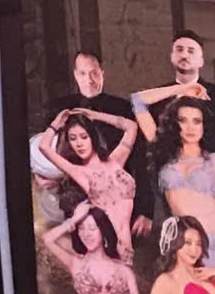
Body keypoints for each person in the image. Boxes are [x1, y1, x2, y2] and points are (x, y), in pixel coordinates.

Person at [138, 94, 215, 274]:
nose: (190, 127)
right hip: (186, 244)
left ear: (204, 126)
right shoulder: (164, 157)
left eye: (197, 121)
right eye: (183, 120)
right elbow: (138, 102)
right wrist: (184, 88)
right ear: (174, 124)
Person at [56, 50, 153, 232]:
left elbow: (141, 161)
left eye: (94, 73)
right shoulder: (62, 110)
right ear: (76, 75)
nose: (89, 80)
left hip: (119, 203)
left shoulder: (124, 109)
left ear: (102, 73)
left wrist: (145, 210)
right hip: (76, 206)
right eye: (83, 74)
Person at [38, 107, 140, 254]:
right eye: (73, 139)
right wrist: (56, 124)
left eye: (84, 137)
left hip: (127, 246)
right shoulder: (78, 172)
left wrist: (96, 115)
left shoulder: (116, 160)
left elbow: (131, 126)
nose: (79, 144)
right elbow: (44, 147)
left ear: (93, 137)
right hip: (108, 246)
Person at [156, 30, 215, 158]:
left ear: (201, 61)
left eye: (191, 51)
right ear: (172, 56)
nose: (184, 55)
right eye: (179, 50)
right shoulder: (158, 96)